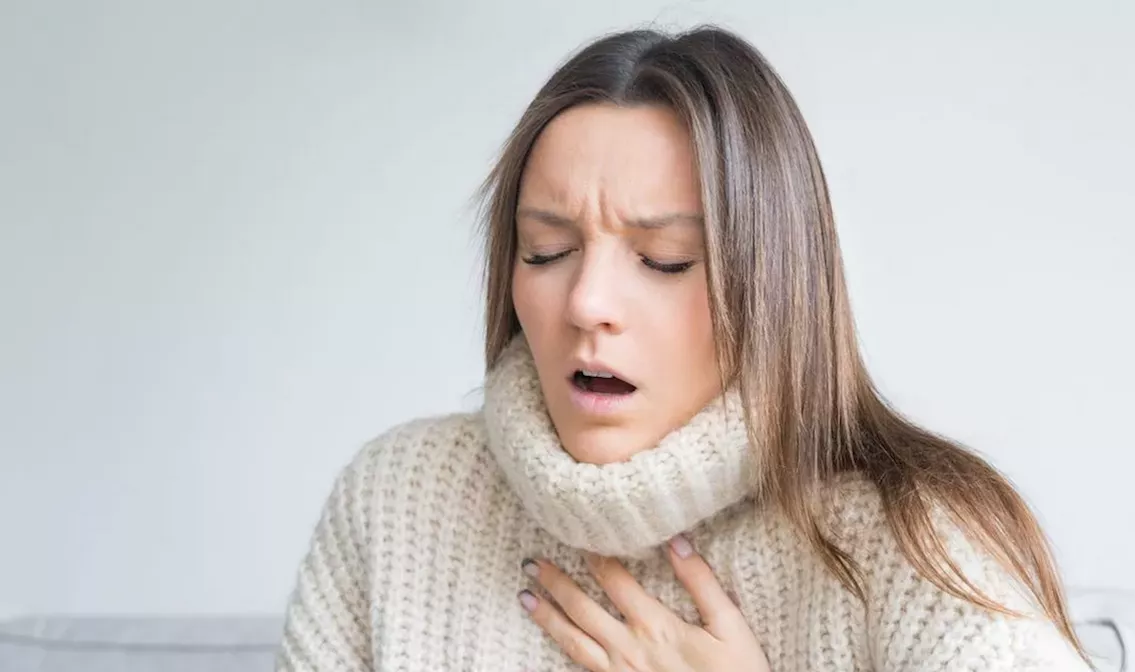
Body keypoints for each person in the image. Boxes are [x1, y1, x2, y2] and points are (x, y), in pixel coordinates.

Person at [276, 26, 1093, 672]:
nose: (587, 302)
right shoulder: (396, 504)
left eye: (663, 260)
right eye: (546, 250)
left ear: (772, 285)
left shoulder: (912, 537)